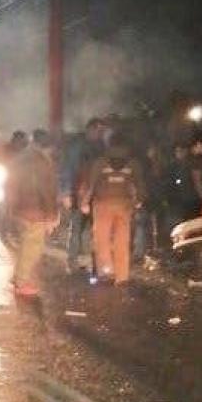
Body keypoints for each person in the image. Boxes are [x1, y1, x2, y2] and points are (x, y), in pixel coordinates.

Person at [81, 132, 147, 285]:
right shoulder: (133, 163)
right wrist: (139, 200)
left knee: (102, 239)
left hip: (102, 204)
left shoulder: (101, 162)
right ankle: (122, 275)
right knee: (122, 240)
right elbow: (140, 184)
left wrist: (85, 202)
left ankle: (106, 270)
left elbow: (91, 183)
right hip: (124, 205)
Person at [8, 129, 58, 298]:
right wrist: (51, 213)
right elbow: (45, 189)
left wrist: (11, 206)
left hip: (19, 207)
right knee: (33, 247)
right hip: (34, 209)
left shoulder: (21, 158)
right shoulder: (41, 162)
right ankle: (21, 282)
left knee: (25, 244)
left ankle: (18, 277)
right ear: (47, 147)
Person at [62, 118, 106, 274]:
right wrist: (66, 192)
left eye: (101, 131)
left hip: (95, 193)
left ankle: (88, 262)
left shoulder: (101, 146)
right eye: (97, 130)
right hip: (78, 191)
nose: (100, 133)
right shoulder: (77, 147)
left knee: (91, 230)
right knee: (76, 228)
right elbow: (68, 169)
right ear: (89, 129)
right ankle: (72, 261)